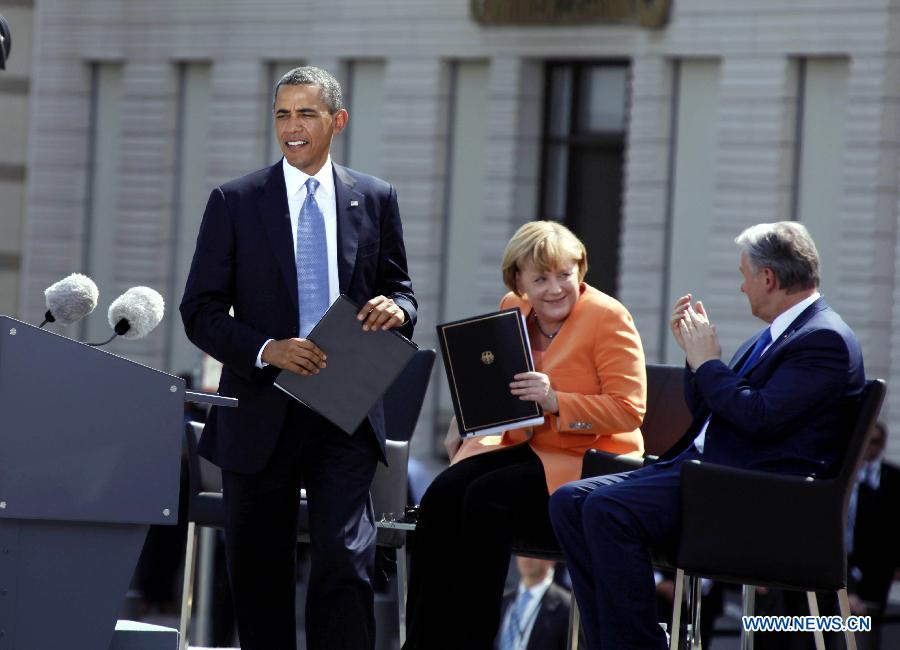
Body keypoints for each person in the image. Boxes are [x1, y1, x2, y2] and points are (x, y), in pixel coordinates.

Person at [180, 66, 416, 650]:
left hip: (345, 410)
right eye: (282, 114)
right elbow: (200, 310)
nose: (291, 127)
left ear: (336, 121)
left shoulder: (376, 198)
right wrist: (268, 350)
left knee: (344, 561)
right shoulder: (234, 202)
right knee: (259, 576)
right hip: (260, 410)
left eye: (306, 114)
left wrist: (399, 311)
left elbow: (402, 290)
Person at [549, 221, 865, 650]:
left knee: (607, 509)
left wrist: (708, 364)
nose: (741, 287)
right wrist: (696, 359)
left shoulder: (823, 338)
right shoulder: (772, 336)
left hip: (750, 494)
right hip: (708, 474)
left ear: (768, 278)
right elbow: (713, 412)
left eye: (744, 275)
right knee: (569, 501)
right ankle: (610, 641)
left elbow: (759, 417)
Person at [403, 220, 647, 650]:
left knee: (486, 499)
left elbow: (630, 411)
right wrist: (464, 420)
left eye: (564, 275)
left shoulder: (609, 318)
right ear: (518, 281)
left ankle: (467, 640)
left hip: (590, 460)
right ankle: (422, 639)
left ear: (581, 272)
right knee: (441, 495)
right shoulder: (513, 307)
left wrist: (558, 401)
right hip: (528, 447)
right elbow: (496, 386)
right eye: (541, 278)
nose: (555, 288)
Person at [844, 421, 900, 650]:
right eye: (866, 441)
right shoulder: (847, 472)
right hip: (847, 553)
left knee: (869, 621)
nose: (869, 447)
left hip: (877, 560)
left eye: (874, 442)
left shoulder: (892, 478)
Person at [497, 557, 575, 650]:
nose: (527, 559)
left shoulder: (567, 607)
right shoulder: (503, 600)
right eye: (522, 553)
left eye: (534, 554)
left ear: (551, 560)